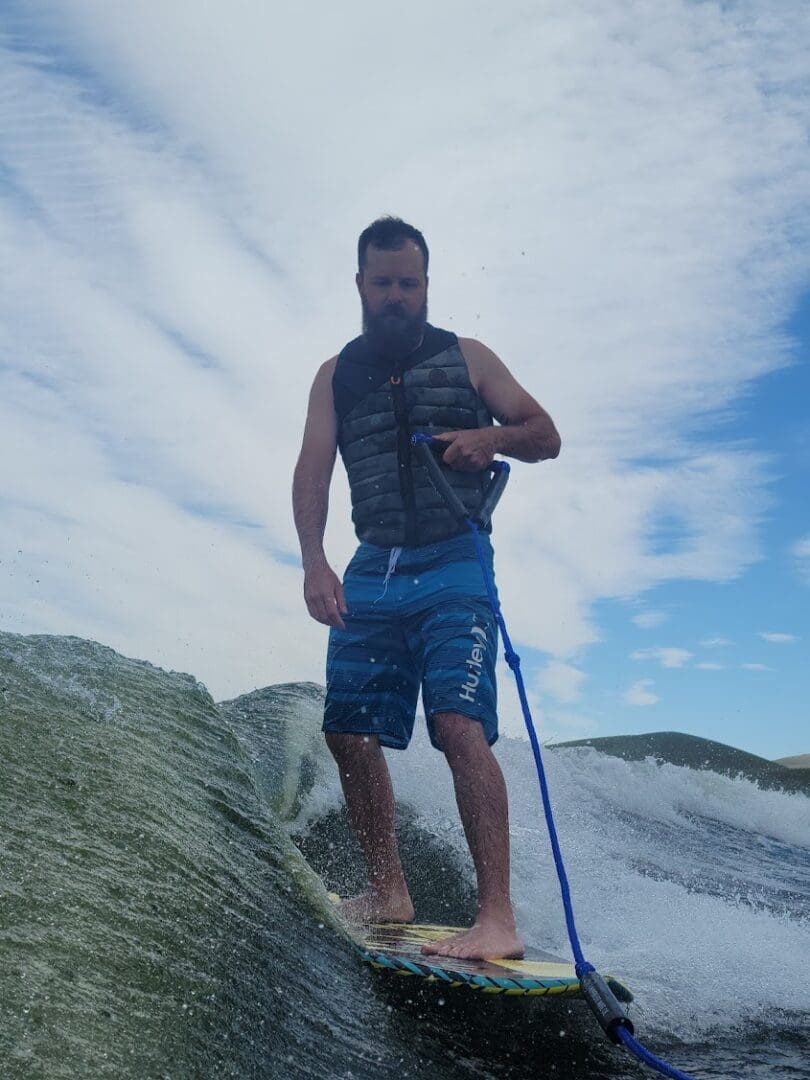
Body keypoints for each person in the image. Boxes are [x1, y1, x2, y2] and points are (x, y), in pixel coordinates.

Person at [292, 216, 561, 960]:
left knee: (457, 726)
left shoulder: (469, 358)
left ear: (426, 285)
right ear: (360, 285)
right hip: (373, 564)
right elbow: (313, 467)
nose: (397, 296)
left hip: (454, 561)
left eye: (410, 283)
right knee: (347, 732)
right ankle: (388, 890)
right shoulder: (335, 376)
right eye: (383, 283)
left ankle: (497, 918)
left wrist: (491, 438)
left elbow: (546, 432)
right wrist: (314, 560)